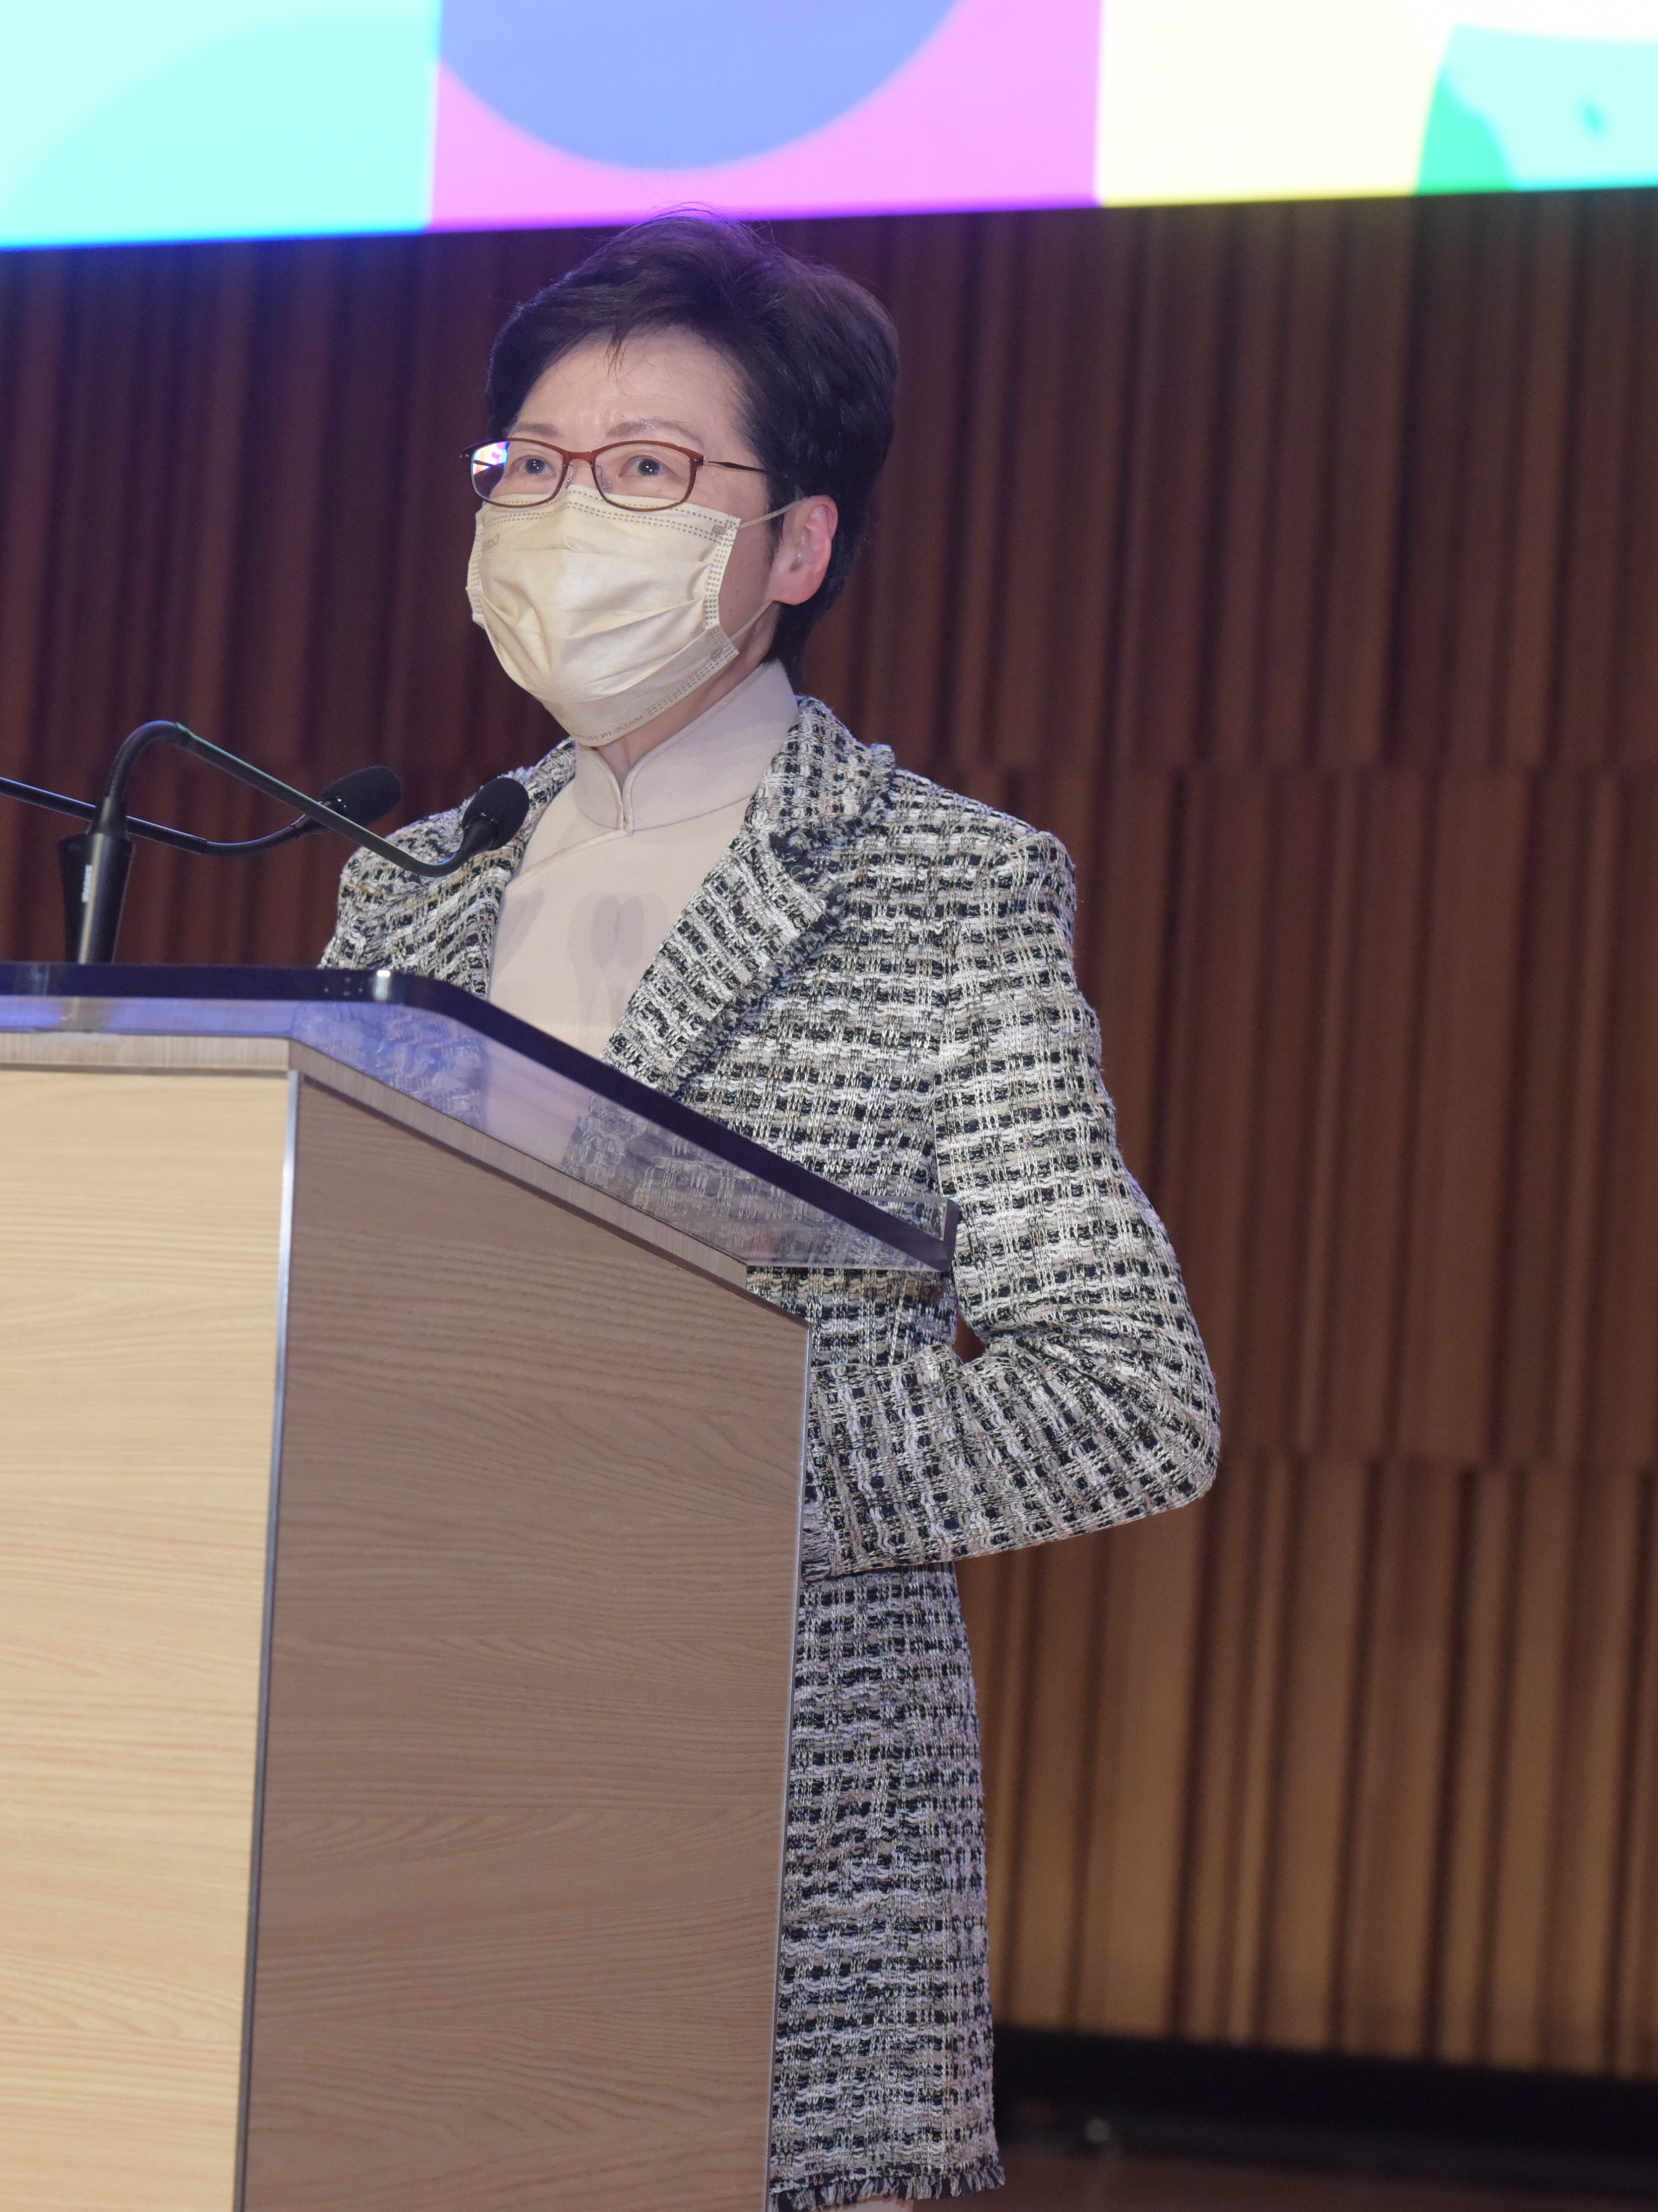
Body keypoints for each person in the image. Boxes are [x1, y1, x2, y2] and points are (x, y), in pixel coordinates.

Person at [320, 213, 1221, 2210]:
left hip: (762, 1845)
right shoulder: (413, 883)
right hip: (391, 1806)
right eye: (532, 466)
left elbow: (1123, 1399)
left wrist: (683, 1455)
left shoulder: (939, 884)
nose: (571, 513)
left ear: (796, 544)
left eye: (647, 468)